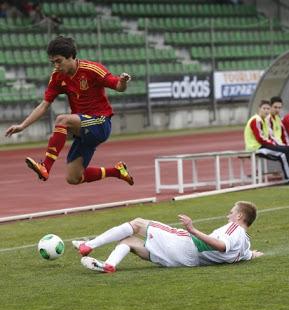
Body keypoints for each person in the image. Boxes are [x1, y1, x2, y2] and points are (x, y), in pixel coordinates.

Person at [5, 36, 134, 186]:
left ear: (71, 57)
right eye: (53, 62)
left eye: (59, 61)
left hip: (100, 123)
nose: (56, 66)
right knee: (73, 178)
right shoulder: (57, 76)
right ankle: (117, 171)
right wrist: (22, 126)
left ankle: (45, 166)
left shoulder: (92, 69)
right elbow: (44, 105)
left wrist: (123, 81)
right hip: (82, 130)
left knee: (62, 120)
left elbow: (118, 86)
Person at [72, 201, 263, 273]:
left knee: (137, 223)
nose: (228, 216)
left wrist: (192, 229)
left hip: (185, 244)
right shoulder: (245, 246)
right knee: (129, 242)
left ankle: (88, 245)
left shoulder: (234, 229)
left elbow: (222, 246)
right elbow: (245, 255)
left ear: (239, 216)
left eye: (231, 213)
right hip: (187, 262)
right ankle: (109, 265)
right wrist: (254, 255)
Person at [244, 99, 289, 180]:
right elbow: (260, 138)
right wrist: (274, 144)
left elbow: (269, 136)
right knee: (283, 153)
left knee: (286, 150)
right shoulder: (256, 120)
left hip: (262, 146)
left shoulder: (264, 120)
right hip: (256, 148)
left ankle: (287, 176)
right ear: (259, 108)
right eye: (264, 108)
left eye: (268, 109)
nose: (266, 111)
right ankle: (288, 177)